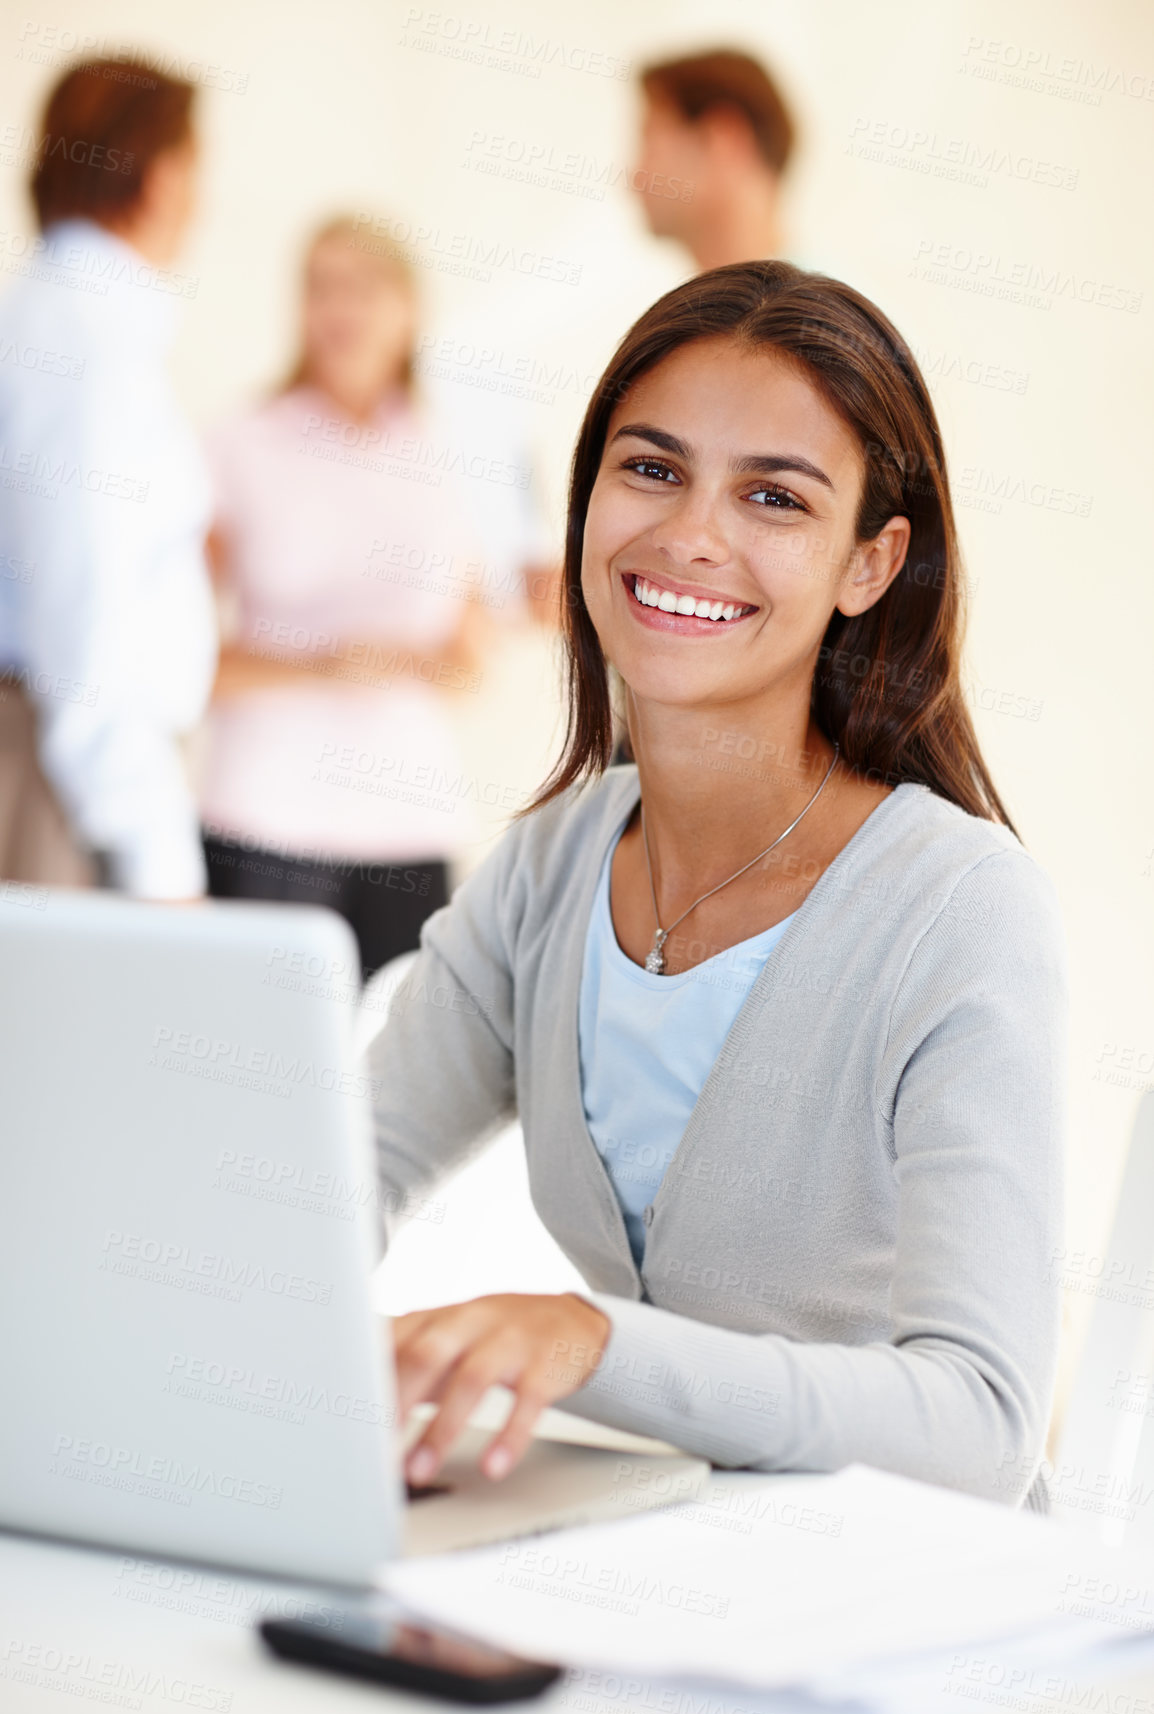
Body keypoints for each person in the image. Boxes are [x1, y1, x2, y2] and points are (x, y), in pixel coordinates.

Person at [367, 261, 1067, 1511]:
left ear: (869, 563)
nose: (690, 533)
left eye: (773, 497)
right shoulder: (549, 866)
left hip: (897, 1612)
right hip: (654, 1555)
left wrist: (593, 1344)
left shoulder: (958, 908)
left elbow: (983, 1423)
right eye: (649, 468)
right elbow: (325, 1174)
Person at [199, 217, 491, 977]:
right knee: (255, 1058)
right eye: (319, 288)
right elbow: (189, 655)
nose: (339, 310)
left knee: (385, 1072)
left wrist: (405, 663)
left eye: (361, 288)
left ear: (410, 308)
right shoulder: (241, 441)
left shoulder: (449, 450)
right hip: (265, 818)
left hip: (408, 826)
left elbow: (469, 664)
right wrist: (320, 667)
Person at [0, 57, 216, 897]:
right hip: (74, 793)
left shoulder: (58, 321)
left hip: (72, 774)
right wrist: (163, 868)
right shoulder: (86, 346)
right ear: (163, 178)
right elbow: (86, 625)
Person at [632, 48, 797, 270]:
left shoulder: (824, 304)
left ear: (721, 142)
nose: (635, 180)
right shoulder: (699, 303)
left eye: (651, 147)